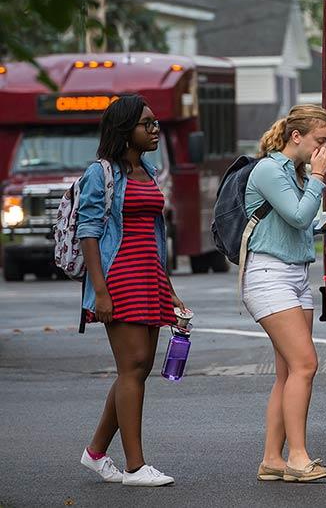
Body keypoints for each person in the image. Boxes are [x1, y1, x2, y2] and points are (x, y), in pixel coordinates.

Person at [78, 95, 185, 487]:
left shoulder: (149, 172)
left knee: (137, 369)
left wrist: (169, 287)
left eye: (156, 123)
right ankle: (135, 467)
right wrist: (100, 293)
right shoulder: (102, 174)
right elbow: (88, 233)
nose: (155, 129)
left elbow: (155, 235)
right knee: (133, 367)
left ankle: (95, 454)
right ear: (126, 131)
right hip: (119, 276)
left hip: (149, 274)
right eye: (147, 124)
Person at [242, 104, 326, 483]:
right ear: (297, 137)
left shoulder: (294, 173)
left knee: (287, 373)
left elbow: (300, 221)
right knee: (305, 365)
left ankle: (272, 458)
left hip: (296, 274)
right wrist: (317, 177)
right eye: (321, 141)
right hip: (269, 274)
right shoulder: (268, 169)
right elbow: (297, 215)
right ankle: (297, 457)